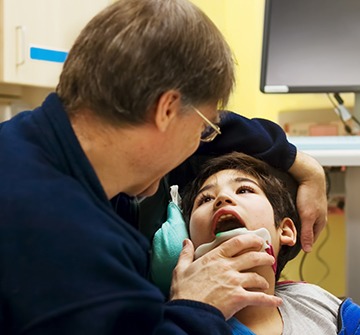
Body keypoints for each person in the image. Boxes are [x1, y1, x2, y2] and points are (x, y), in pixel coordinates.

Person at [0, 0, 327, 333]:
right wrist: (197, 305)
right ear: (166, 110)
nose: (204, 140)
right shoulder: (71, 243)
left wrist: (302, 164)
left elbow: (227, 131)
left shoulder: (27, 139)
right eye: (203, 130)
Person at [178, 152, 360, 335]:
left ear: (286, 231)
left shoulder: (316, 303)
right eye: (206, 199)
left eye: (244, 190)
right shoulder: (180, 323)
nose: (222, 198)